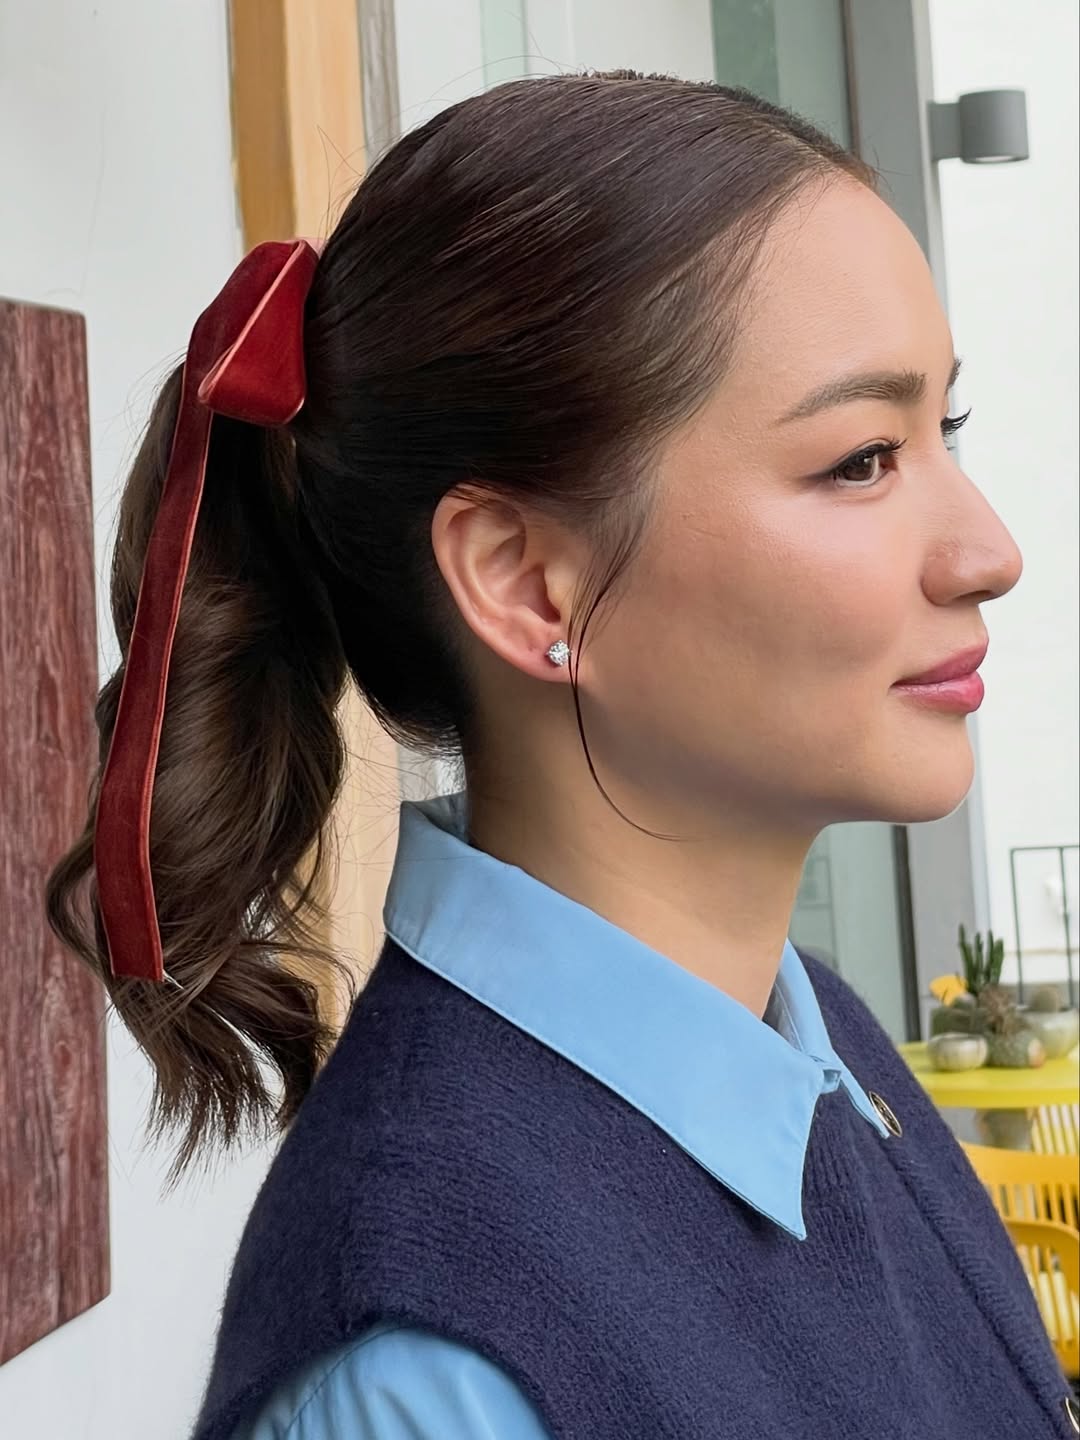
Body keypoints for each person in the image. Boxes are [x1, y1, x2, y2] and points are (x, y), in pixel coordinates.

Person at [46, 71, 1078, 1440]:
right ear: (528, 583)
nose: (991, 552)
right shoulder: (432, 1365)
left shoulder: (831, 1054)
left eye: (943, 429)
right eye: (862, 460)